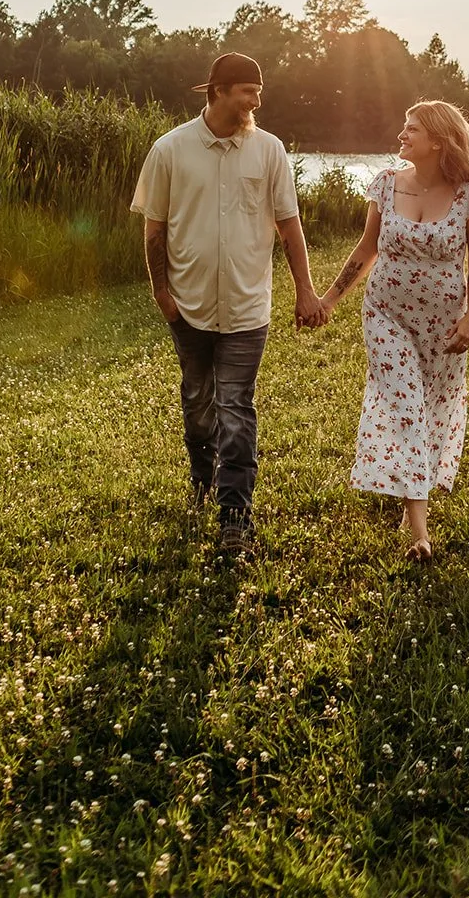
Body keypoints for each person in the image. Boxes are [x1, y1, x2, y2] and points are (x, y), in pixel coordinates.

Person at [131, 52, 326, 555]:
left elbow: (289, 226)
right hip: (189, 306)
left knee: (235, 408)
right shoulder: (169, 150)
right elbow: (154, 227)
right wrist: (161, 291)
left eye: (259, 92)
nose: (256, 100)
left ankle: (234, 517)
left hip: (245, 309)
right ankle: (202, 477)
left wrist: (305, 290)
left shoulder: (270, 151)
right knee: (198, 405)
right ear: (217, 90)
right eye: (247, 91)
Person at [320, 100, 469, 562]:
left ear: (438, 140)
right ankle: (419, 533)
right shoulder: (386, 184)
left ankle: (409, 492)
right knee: (404, 404)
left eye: (411, 129)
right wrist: (329, 300)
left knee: (433, 408)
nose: (402, 135)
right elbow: (366, 249)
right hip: (385, 315)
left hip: (443, 323)